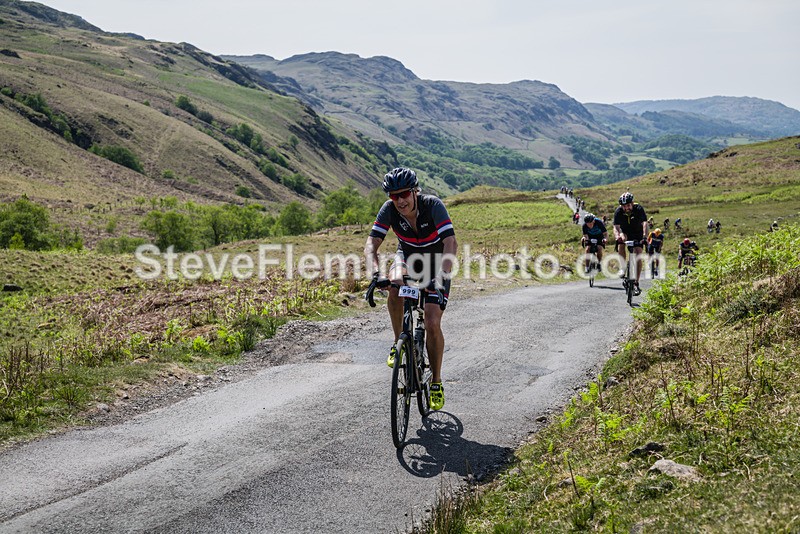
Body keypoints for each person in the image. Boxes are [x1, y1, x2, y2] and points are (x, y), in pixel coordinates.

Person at [364, 167, 457, 411]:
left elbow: (450, 242)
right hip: (408, 258)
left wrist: (441, 277)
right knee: (394, 288)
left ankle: (435, 382)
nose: (400, 200)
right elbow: (371, 246)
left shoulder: (433, 206)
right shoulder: (389, 211)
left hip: (436, 263)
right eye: (394, 196)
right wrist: (376, 273)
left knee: (432, 321)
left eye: (404, 193)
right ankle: (399, 343)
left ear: (415, 191)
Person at [613, 192, 648, 295]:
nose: (626, 208)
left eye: (628, 205)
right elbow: (616, 227)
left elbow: (645, 224)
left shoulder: (638, 209)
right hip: (625, 232)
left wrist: (645, 237)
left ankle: (636, 283)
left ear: (632, 203)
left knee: (638, 254)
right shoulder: (618, 211)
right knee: (621, 242)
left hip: (637, 233)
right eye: (624, 206)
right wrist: (617, 237)